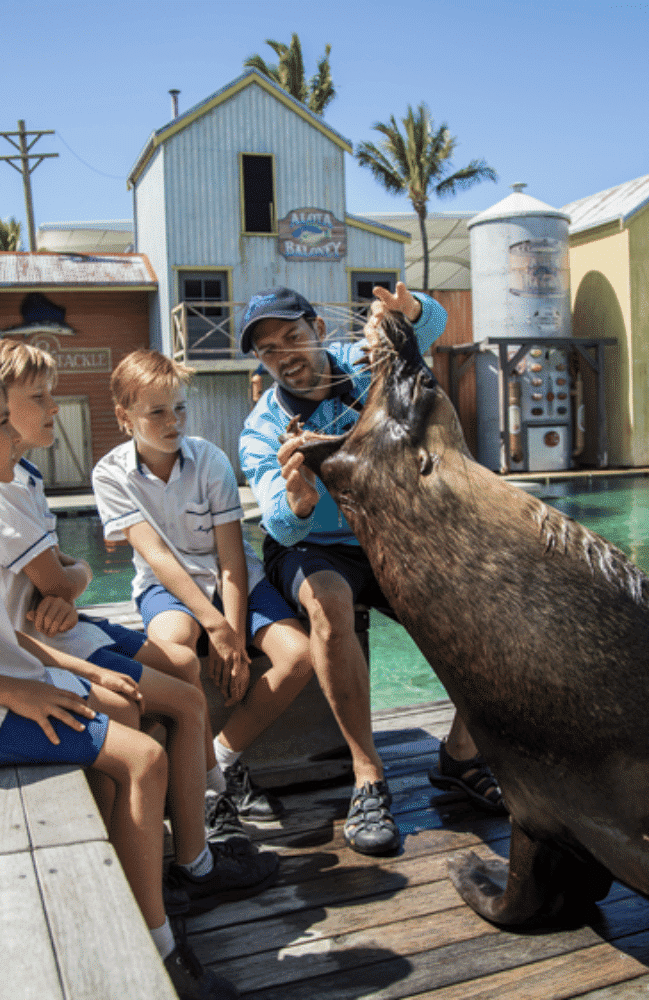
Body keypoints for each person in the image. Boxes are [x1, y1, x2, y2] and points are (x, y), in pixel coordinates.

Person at [0, 358, 236, 999]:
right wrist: (22, 690)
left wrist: (62, 670)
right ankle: (159, 951)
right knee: (141, 761)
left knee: (129, 736)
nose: (15, 434)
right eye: (3, 422)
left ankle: (134, 894)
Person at [0, 337, 279, 901]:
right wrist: (70, 579)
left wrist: (69, 579)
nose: (56, 408)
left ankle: (198, 812)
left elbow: (68, 578)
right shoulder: (2, 491)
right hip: (48, 644)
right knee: (184, 699)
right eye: (40, 398)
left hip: (64, 629)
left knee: (179, 664)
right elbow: (62, 580)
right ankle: (195, 860)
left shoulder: (21, 477)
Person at [238, 284, 506, 857]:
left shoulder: (363, 365)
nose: (285, 354)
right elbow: (281, 527)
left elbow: (428, 326)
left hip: (385, 532)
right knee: (330, 602)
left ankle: (460, 754)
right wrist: (300, 497)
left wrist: (408, 311)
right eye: (268, 350)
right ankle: (367, 775)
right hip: (313, 545)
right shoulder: (260, 429)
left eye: (291, 336)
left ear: (315, 326)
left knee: (481, 602)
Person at [91, 349, 315, 821]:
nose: (173, 422)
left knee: (299, 657)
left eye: (180, 408)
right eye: (157, 412)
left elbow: (232, 559)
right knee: (173, 651)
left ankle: (223, 757)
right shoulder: (109, 473)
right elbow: (158, 557)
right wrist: (215, 628)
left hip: (236, 583)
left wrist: (232, 633)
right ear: (124, 417)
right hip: (165, 587)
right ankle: (207, 787)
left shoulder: (209, 459)